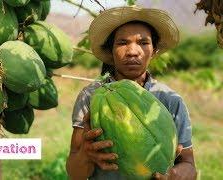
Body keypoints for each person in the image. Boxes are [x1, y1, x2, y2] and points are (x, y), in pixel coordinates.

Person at [66, 6, 197, 180]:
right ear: (110, 51)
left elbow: (189, 166)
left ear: (154, 50)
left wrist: (175, 175)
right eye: (122, 43)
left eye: (143, 43)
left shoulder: (170, 100)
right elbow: (75, 174)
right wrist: (85, 156)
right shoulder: (90, 96)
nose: (133, 51)